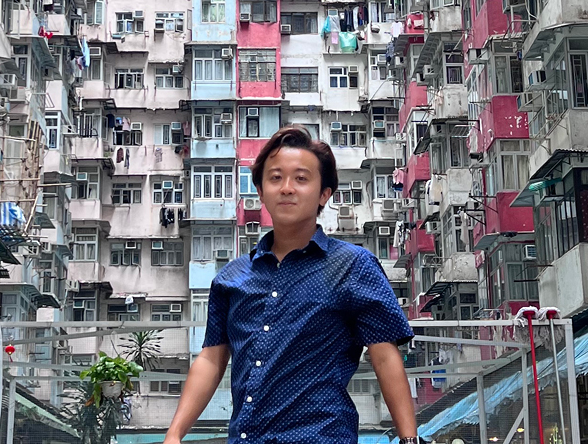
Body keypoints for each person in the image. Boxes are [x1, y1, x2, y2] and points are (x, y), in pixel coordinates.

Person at [164, 126, 419, 444]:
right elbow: (212, 358)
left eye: (301, 178)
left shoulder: (353, 265)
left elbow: (384, 353)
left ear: (324, 193)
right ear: (260, 190)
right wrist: (174, 435)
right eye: (275, 178)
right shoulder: (231, 278)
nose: (286, 188)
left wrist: (410, 439)